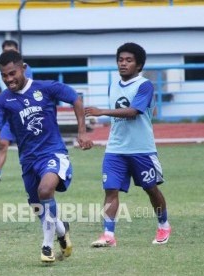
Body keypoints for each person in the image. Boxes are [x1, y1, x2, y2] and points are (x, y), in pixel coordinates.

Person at [0, 50, 93, 262]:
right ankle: (62, 232)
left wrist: (82, 132)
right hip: (28, 159)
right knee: (38, 206)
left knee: (46, 190)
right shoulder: (2, 100)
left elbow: (76, 99)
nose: (8, 79)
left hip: (53, 152)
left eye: (12, 73)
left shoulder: (46, 88)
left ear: (23, 68)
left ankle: (46, 247)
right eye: (4, 75)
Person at [85, 42, 171, 247]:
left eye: (129, 60)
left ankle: (164, 225)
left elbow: (133, 111)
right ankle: (108, 235)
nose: (123, 64)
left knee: (151, 189)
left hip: (142, 150)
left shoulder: (145, 85)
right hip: (115, 149)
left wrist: (102, 112)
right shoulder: (113, 85)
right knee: (110, 190)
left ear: (139, 65)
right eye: (120, 60)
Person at [0, 40, 33, 182]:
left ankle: (35, 170)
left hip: (22, 111)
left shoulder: (26, 69)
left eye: (12, 51)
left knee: (29, 143)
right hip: (6, 111)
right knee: (2, 142)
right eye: (6, 51)